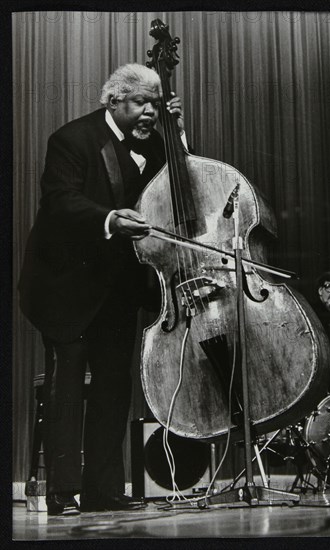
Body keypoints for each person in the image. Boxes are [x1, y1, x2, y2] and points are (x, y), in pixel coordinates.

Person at [18, 64, 188, 515]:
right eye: (140, 103)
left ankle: (104, 489)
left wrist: (179, 136)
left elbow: (183, 182)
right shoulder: (72, 140)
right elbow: (61, 201)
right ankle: (61, 493)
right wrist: (110, 219)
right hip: (65, 287)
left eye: (155, 103)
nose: (149, 111)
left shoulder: (156, 143)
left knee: (115, 387)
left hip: (117, 286)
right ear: (113, 101)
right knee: (67, 389)